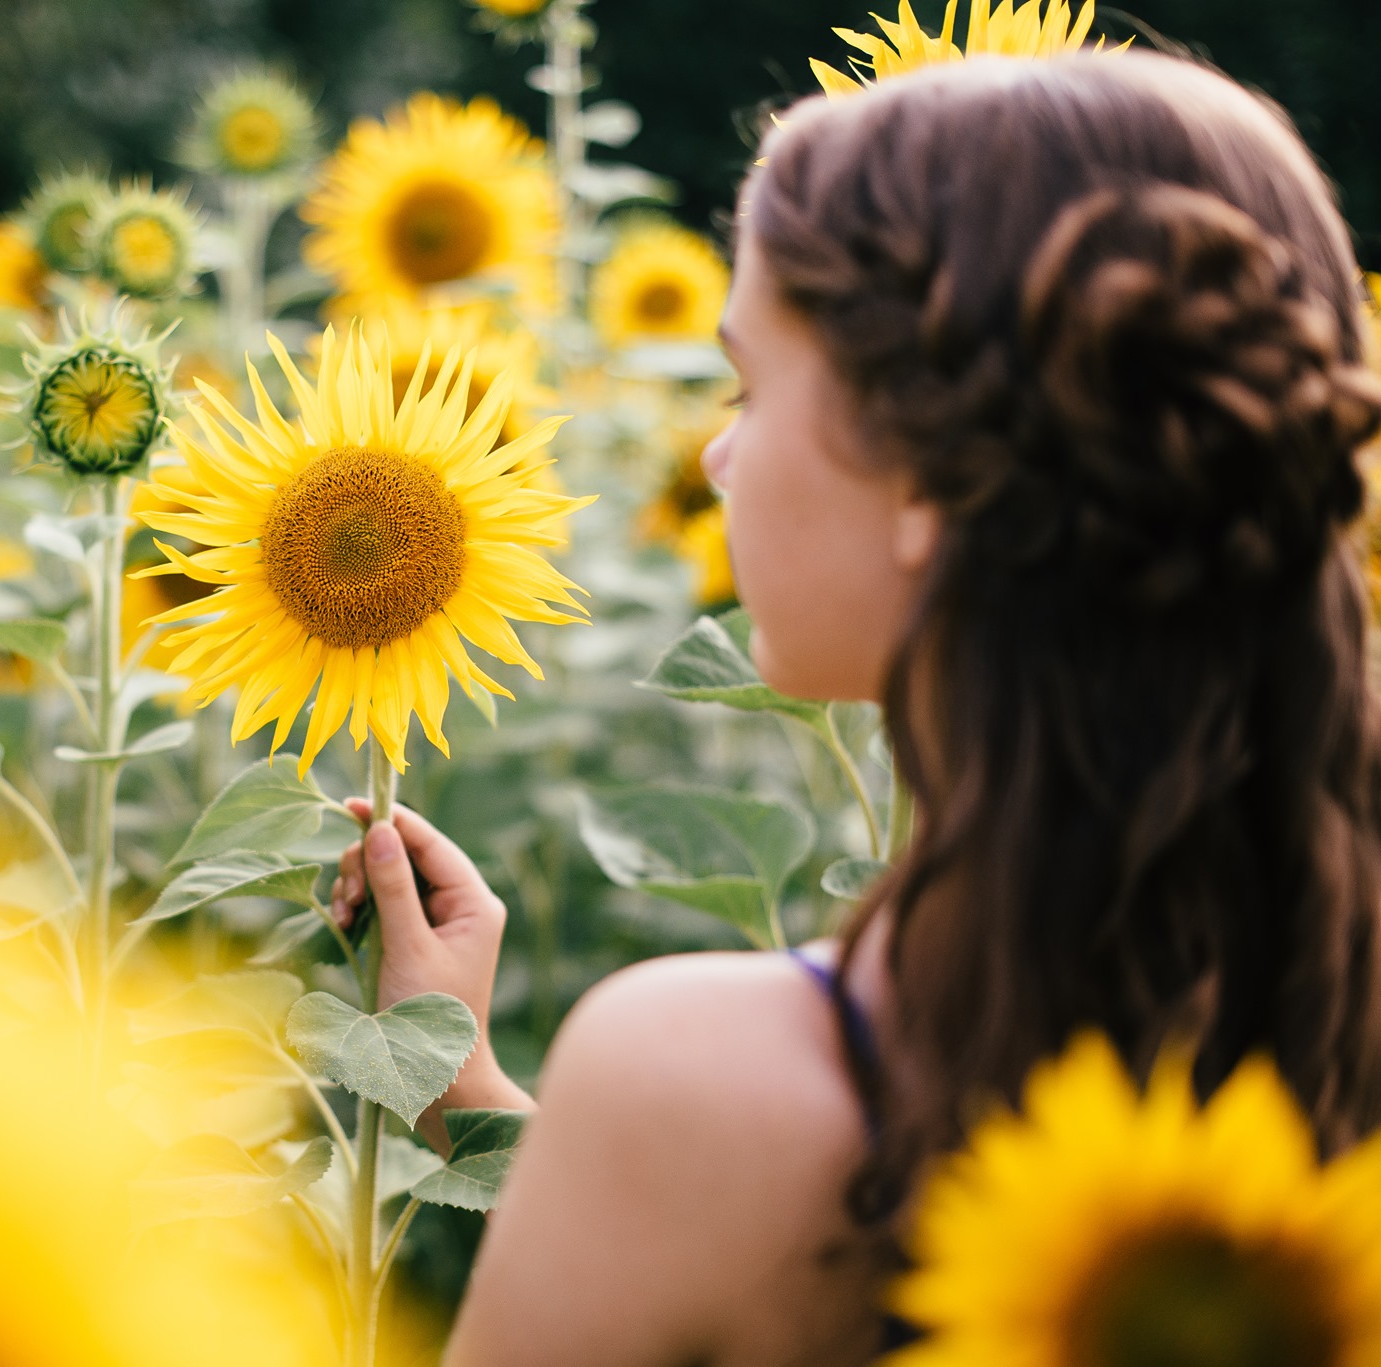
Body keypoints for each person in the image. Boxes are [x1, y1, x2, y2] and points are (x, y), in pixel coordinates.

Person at [326, 49, 1381, 1366]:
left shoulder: (690, 1083)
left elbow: (731, 1203)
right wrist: (466, 1094)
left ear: (932, 475)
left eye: (751, 388)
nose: (718, 455)